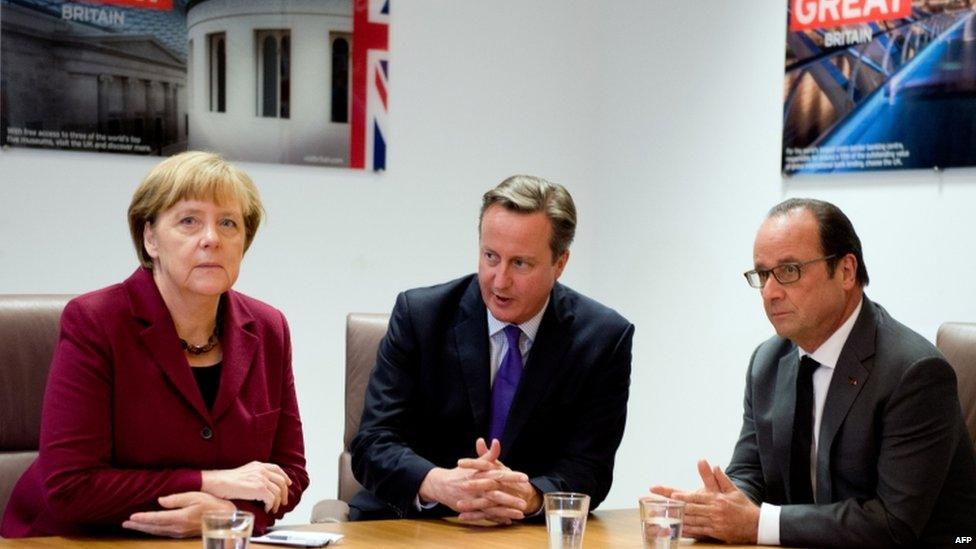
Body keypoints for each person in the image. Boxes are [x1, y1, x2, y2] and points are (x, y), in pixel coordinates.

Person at [0, 152, 308, 538]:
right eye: (189, 221)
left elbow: (289, 474)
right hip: (77, 540)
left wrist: (225, 513)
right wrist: (210, 482)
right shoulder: (96, 321)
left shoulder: (268, 327)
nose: (211, 239)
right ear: (150, 238)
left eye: (228, 223)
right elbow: (71, 486)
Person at [652, 198, 976, 546]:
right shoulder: (768, 362)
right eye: (763, 275)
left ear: (846, 272)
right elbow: (751, 471)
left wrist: (757, 523)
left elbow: (893, 524)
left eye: (789, 271)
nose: (771, 292)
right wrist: (721, 506)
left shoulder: (913, 373)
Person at [349, 175, 633, 523]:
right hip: (413, 523)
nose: (499, 280)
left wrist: (527, 496)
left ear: (559, 263)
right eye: (490, 256)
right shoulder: (420, 316)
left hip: (524, 533)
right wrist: (439, 483)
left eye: (520, 263)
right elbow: (372, 443)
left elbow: (591, 467)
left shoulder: (602, 339)